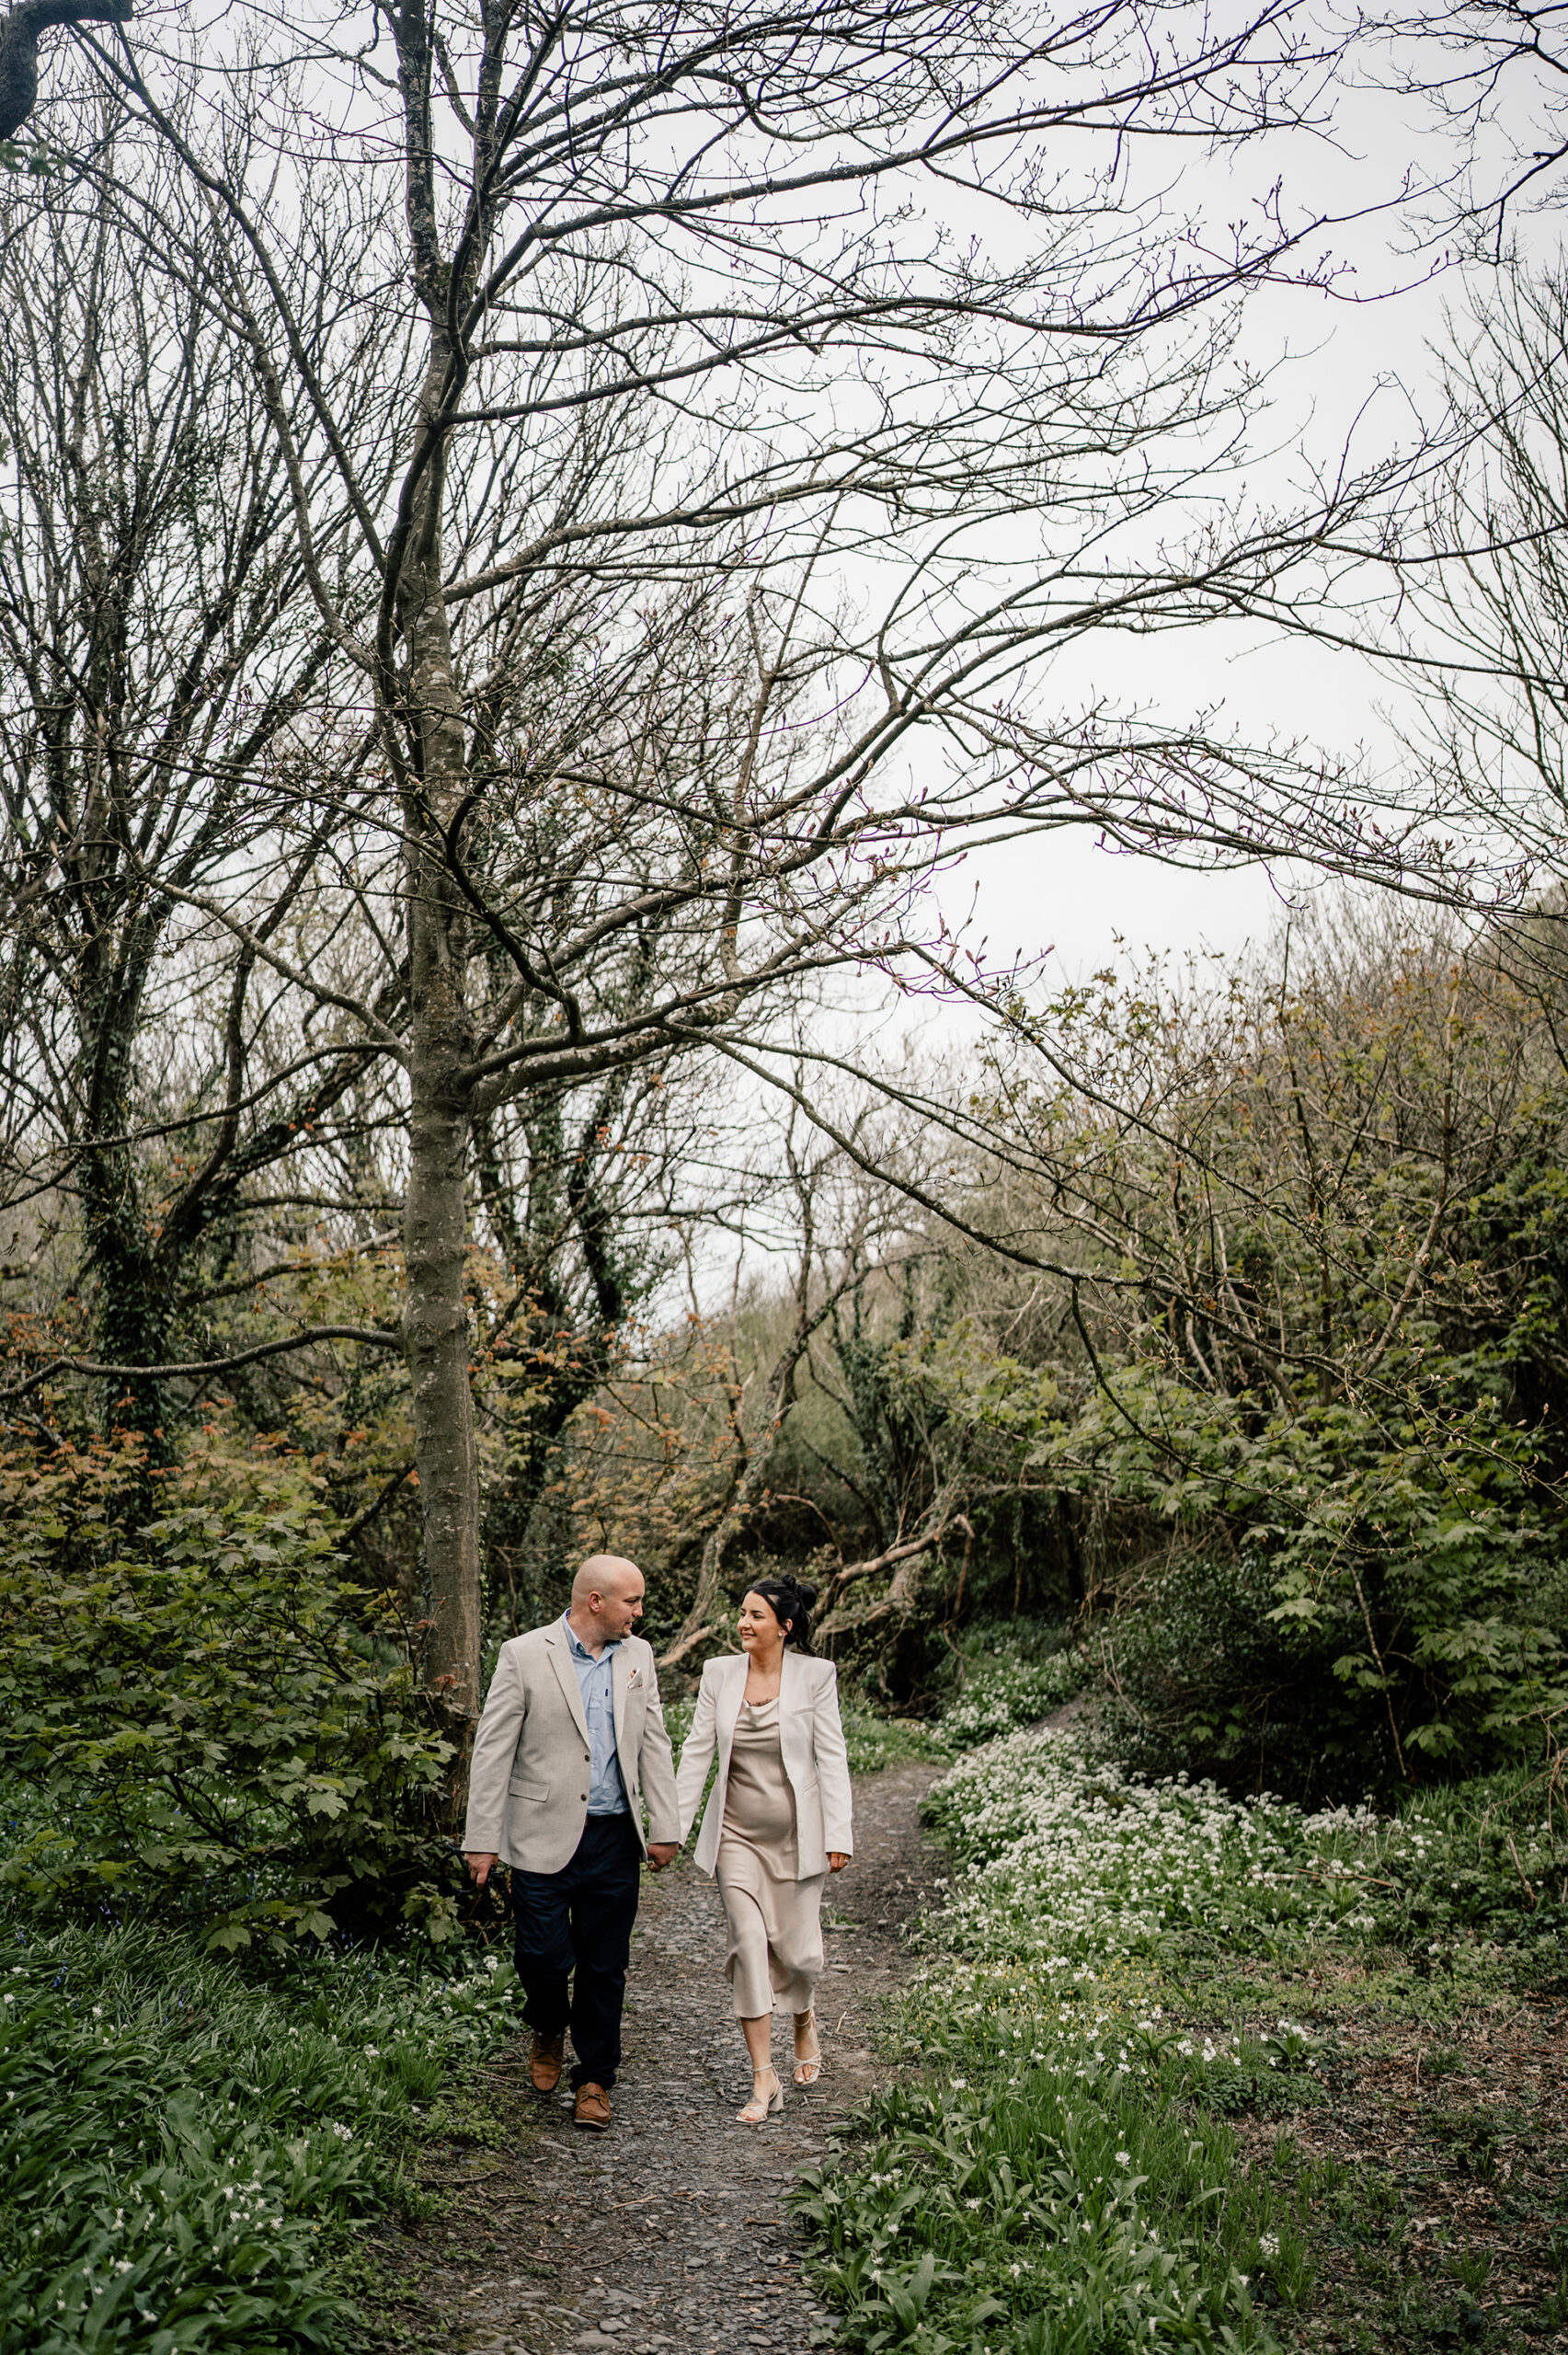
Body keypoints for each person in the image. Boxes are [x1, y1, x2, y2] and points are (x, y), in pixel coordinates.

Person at [462, 1554, 681, 2131]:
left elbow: (653, 1741)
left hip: (612, 1836)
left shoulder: (639, 1656)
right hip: (540, 1835)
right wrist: (481, 1839)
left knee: (606, 1965)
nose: (640, 1611)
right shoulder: (525, 1654)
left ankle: (594, 2080)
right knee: (541, 1957)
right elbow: (493, 1751)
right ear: (595, 1602)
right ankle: (547, 2023)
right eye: (631, 1601)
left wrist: (666, 1826)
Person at [674, 1576, 853, 2125]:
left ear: (785, 1626)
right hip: (736, 1838)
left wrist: (838, 1834)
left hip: (799, 1836)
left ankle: (803, 2015)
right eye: (742, 1613)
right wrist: (673, 1829)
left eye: (755, 1615)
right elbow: (698, 1750)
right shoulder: (718, 1674)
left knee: (799, 1956)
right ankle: (762, 2076)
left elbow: (832, 1755)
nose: (743, 1624)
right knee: (750, 1943)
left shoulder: (816, 1676)